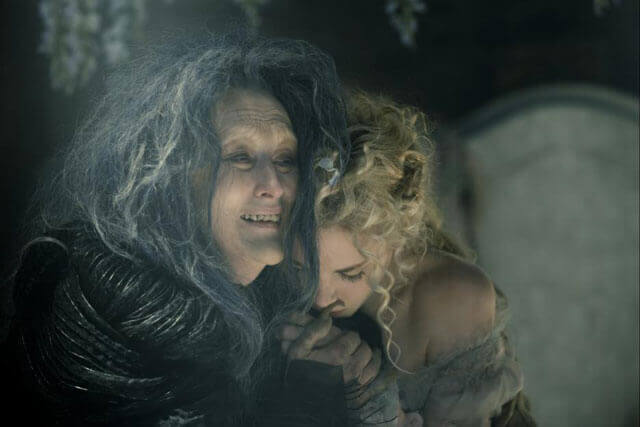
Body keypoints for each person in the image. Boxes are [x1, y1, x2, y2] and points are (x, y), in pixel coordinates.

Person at [2, 33, 384, 426]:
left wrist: (324, 369)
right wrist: (311, 391)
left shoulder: (262, 299)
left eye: (285, 159)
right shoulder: (111, 307)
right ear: (168, 175)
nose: (275, 185)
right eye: (239, 156)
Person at [279, 92, 537, 426]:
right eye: (302, 268)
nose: (319, 297)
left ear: (398, 237)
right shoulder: (268, 271)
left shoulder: (454, 299)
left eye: (350, 273)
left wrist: (366, 392)